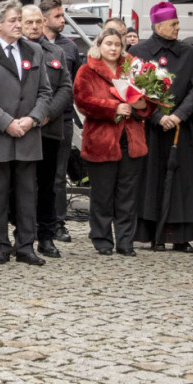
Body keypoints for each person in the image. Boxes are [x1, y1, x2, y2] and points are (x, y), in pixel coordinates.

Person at [0, 0, 53, 266]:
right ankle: (1, 246)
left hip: (29, 133)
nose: (19, 25)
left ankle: (26, 246)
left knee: (28, 193)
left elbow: (45, 92)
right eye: (13, 20)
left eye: (20, 19)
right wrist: (7, 123)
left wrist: (32, 119)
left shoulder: (34, 51)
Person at [131, 2, 193, 252]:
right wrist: (157, 117)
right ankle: (151, 233)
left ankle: (178, 234)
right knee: (150, 180)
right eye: (173, 24)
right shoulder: (139, 51)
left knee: (181, 180)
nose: (177, 28)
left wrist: (178, 115)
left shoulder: (189, 53)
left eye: (177, 24)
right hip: (151, 127)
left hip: (180, 128)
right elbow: (134, 90)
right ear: (158, 25)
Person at [74, 29, 154, 256]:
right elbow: (82, 101)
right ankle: (101, 239)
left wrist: (141, 106)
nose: (113, 48)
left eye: (117, 44)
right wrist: (113, 107)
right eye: (108, 43)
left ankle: (126, 241)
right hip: (102, 141)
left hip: (131, 138)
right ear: (99, 45)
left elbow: (148, 102)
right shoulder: (86, 70)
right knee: (102, 194)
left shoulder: (133, 69)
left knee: (127, 195)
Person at [21, 4, 73, 258]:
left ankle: (46, 236)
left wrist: (45, 114)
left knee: (48, 186)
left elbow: (65, 87)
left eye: (37, 23)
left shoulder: (56, 52)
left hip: (49, 129)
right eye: (28, 22)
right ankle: (22, 236)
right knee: (20, 186)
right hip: (20, 129)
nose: (33, 27)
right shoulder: (14, 51)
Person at [40, 0, 82, 243]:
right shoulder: (34, 45)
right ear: (45, 20)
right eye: (57, 16)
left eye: (62, 15)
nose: (62, 20)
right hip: (34, 119)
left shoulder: (69, 48)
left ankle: (57, 222)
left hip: (62, 118)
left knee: (58, 174)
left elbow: (72, 85)